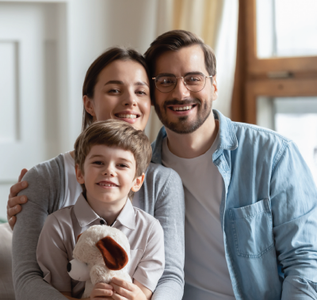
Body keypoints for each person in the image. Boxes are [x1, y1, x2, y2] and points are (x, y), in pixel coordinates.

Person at [143, 30, 317, 299]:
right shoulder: (140, 174)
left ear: (213, 86)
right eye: (166, 81)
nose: (180, 92)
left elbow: (305, 262)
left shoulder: (274, 155)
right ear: (153, 93)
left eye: (193, 79)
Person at [7, 47, 185, 300]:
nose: (130, 101)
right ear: (88, 103)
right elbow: (27, 280)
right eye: (114, 90)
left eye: (141, 91)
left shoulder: (164, 182)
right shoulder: (43, 179)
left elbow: (170, 276)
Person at [37, 119, 165, 300]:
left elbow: (143, 294)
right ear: (80, 173)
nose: (109, 171)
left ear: (137, 181)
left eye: (122, 165)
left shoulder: (150, 230)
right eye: (98, 162)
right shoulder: (57, 226)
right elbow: (58, 294)